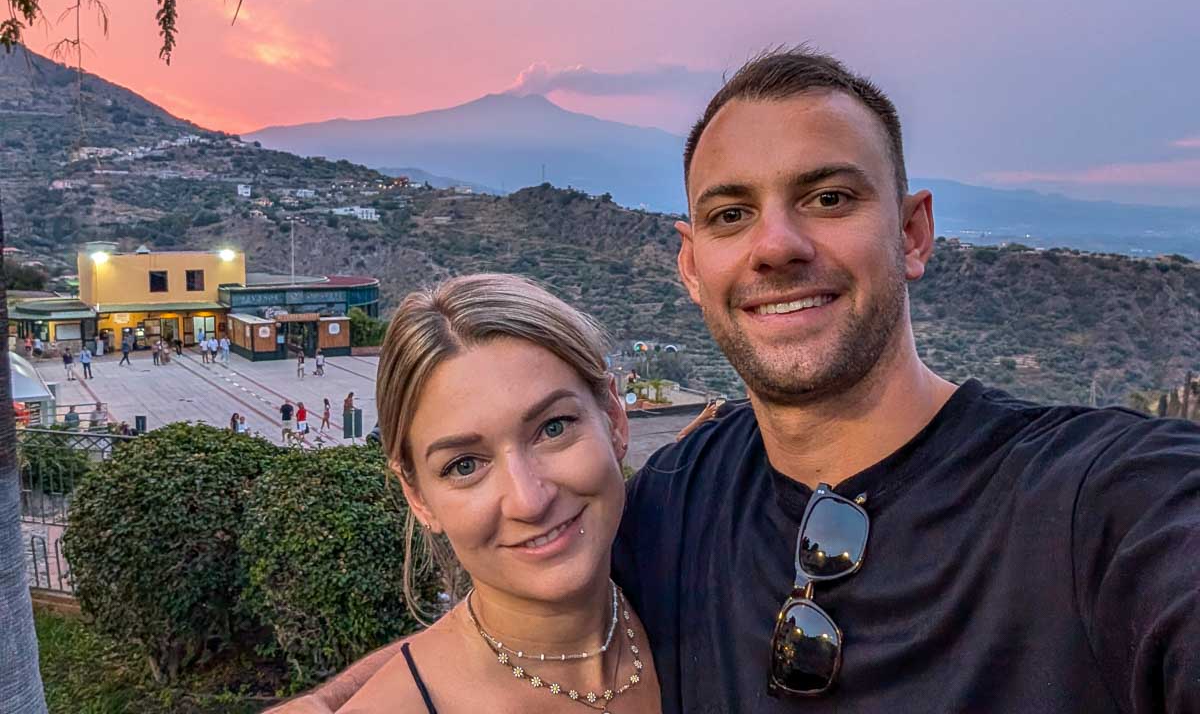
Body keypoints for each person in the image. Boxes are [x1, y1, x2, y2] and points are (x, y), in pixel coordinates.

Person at [276, 48, 1200, 714]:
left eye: (829, 198)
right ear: (691, 264)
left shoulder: (1100, 502)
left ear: (913, 233)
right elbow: (511, 622)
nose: (777, 246)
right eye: (730, 214)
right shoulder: (678, 504)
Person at [328, 274, 660, 714]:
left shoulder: (689, 582)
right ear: (418, 497)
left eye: (553, 428)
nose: (529, 500)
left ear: (614, 420)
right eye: (465, 465)